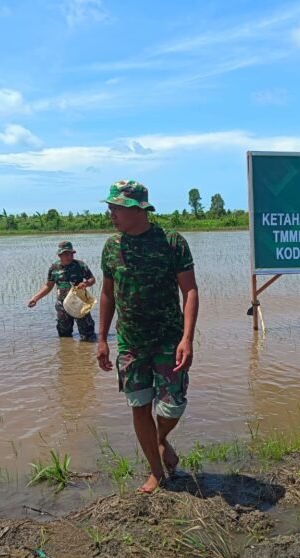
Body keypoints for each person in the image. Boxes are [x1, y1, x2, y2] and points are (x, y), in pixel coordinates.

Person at [96, 180, 199, 494]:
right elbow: (107, 294)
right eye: (110, 207)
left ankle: (159, 440)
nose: (111, 213)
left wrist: (187, 338)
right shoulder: (112, 246)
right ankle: (156, 472)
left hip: (169, 338)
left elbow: (190, 291)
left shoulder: (171, 242)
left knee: (172, 407)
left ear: (138, 209)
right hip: (131, 342)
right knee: (139, 405)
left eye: (117, 207)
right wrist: (102, 338)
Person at [28, 241, 98, 342]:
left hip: (80, 303)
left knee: (88, 335)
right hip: (62, 304)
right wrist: (35, 298)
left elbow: (92, 279)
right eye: (66, 254)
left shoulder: (80, 265)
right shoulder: (54, 268)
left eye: (71, 253)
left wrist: (85, 284)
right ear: (59, 255)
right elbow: (48, 286)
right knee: (64, 337)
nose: (69, 256)